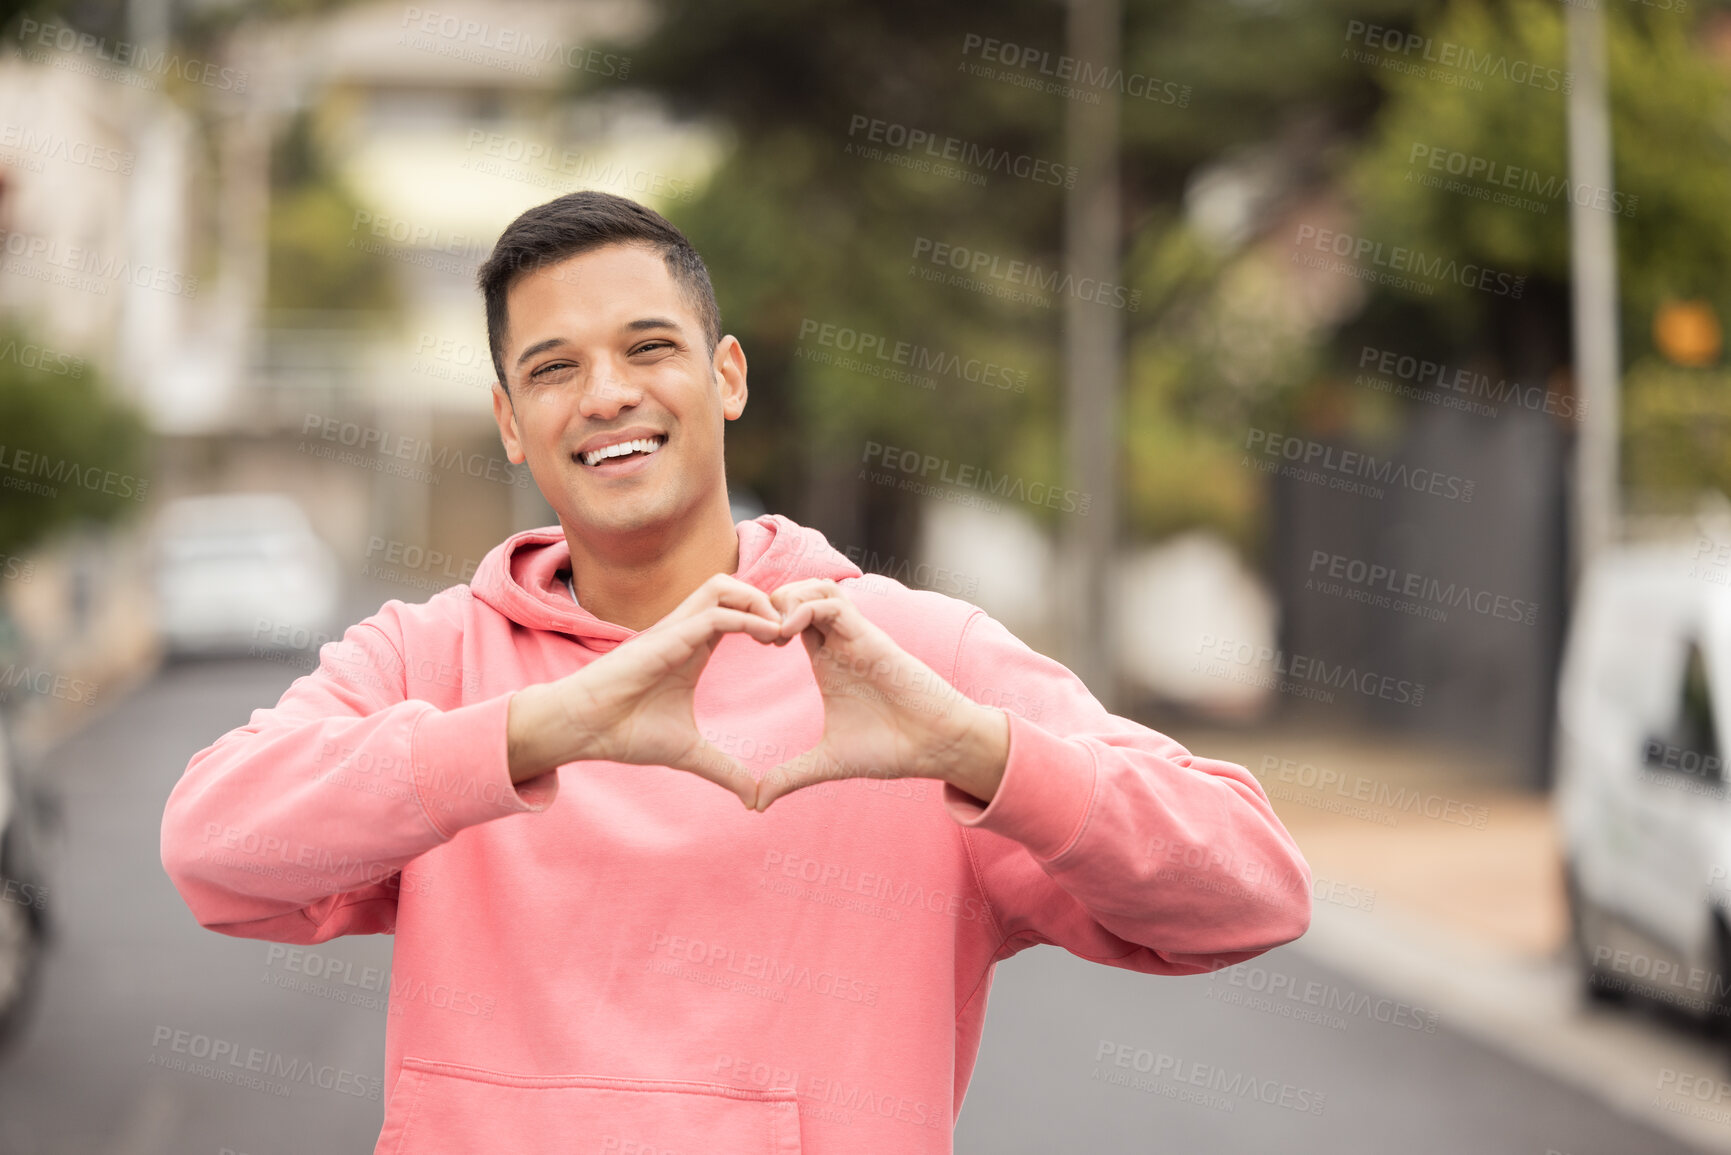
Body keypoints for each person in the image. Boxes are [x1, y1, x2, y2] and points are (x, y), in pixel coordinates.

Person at [160, 190, 1312, 1155]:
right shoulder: (431, 658)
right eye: (554, 368)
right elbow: (216, 849)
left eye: (648, 348)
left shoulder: (903, 662)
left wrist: (978, 751)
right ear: (511, 425)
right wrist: (538, 729)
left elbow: (1251, 892)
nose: (607, 393)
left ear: (727, 377)